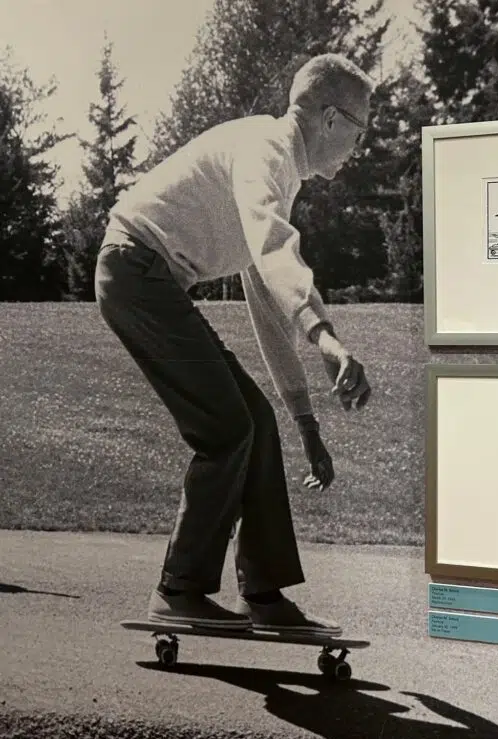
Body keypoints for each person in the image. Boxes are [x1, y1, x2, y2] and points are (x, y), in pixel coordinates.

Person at [93, 53, 373, 636]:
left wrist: (305, 421)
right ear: (329, 119)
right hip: (134, 271)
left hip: (147, 278)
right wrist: (324, 337)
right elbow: (275, 248)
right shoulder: (265, 149)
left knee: (255, 420)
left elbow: (266, 296)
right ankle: (179, 589)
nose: (359, 147)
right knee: (224, 428)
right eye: (360, 128)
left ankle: (264, 595)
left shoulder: (278, 169)